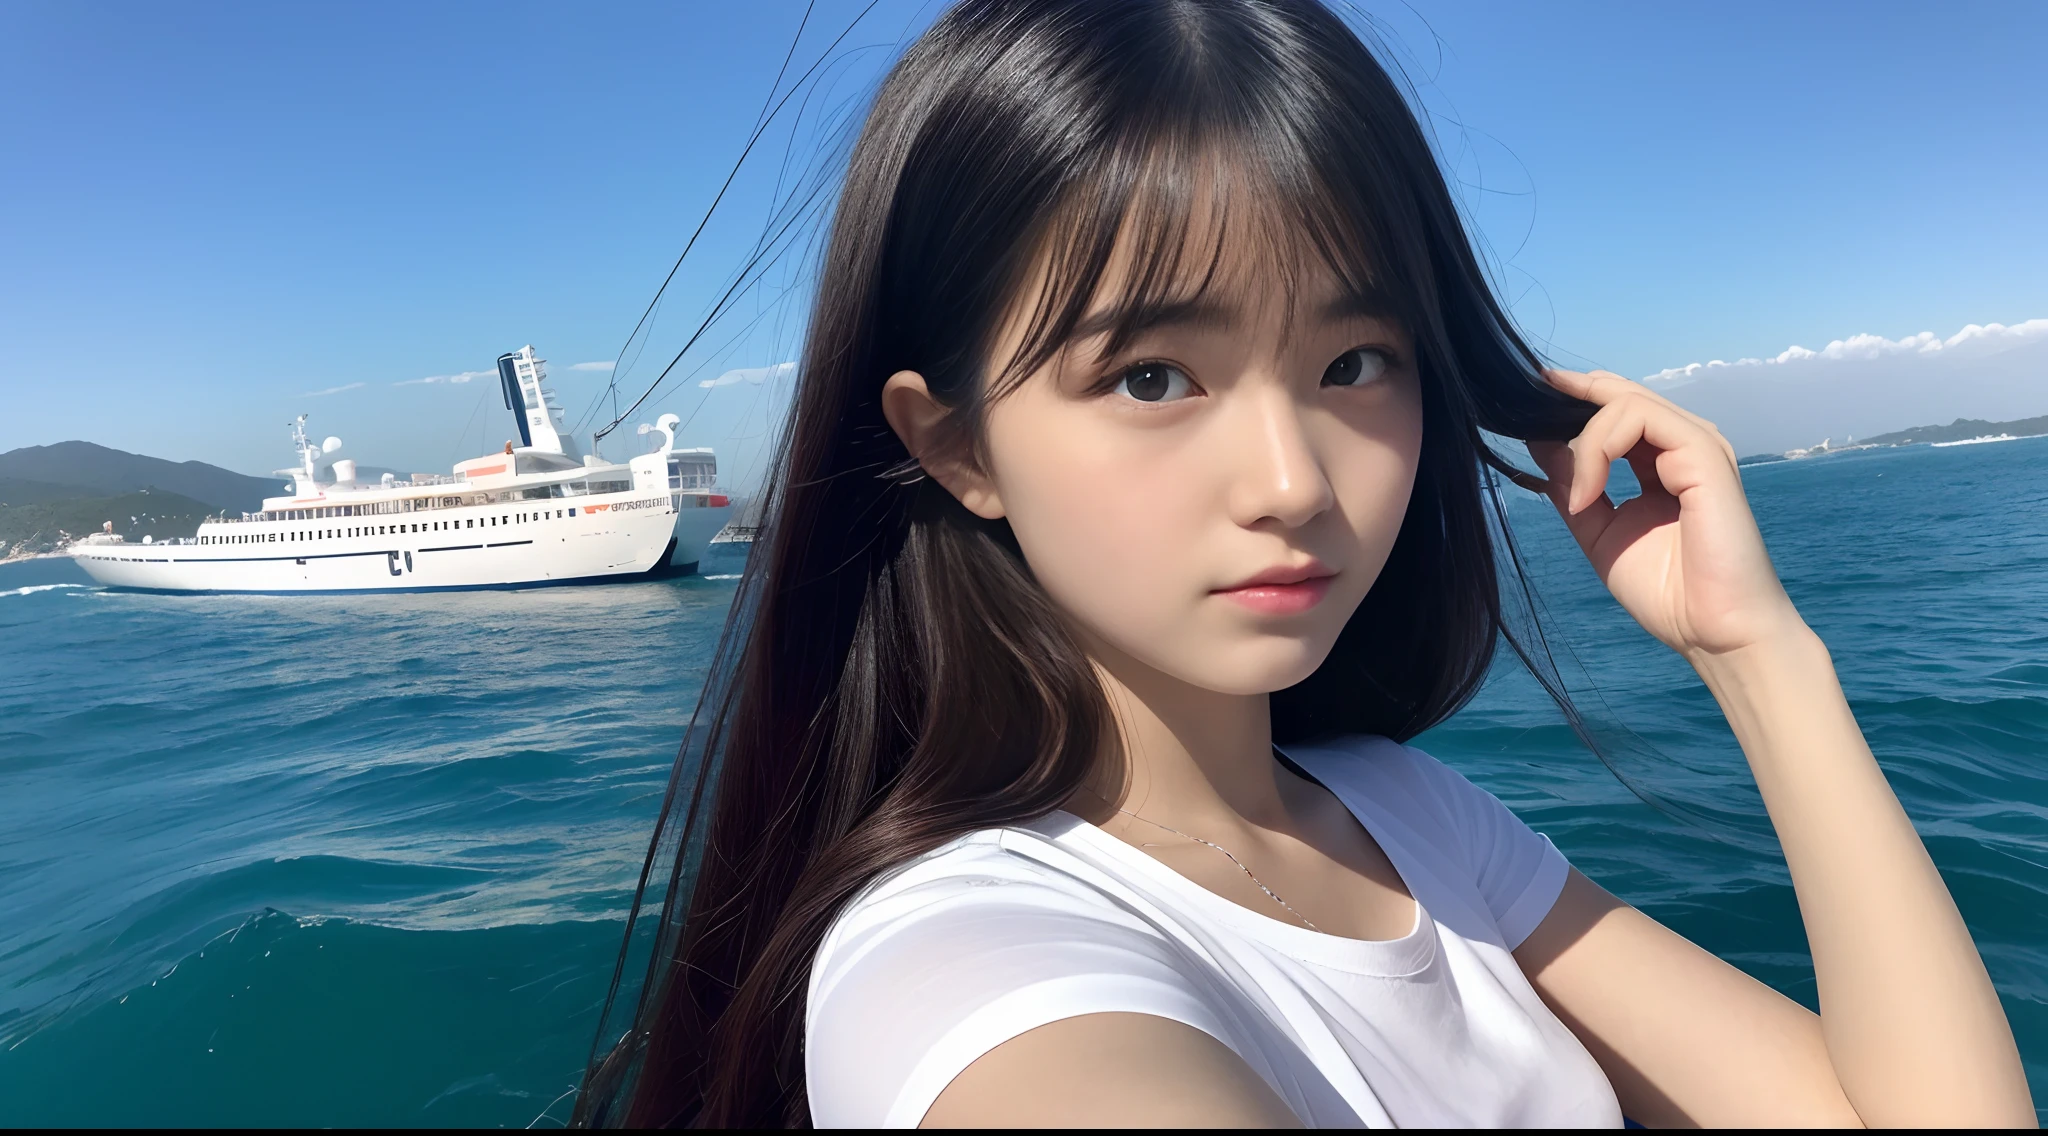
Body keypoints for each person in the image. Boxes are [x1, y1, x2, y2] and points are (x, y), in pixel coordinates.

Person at [579, 0, 2034, 1127]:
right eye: (1152, 377)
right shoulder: (965, 958)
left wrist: (1760, 659)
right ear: (955, 446)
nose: (1292, 483)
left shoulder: (1411, 818)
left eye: (1353, 361)